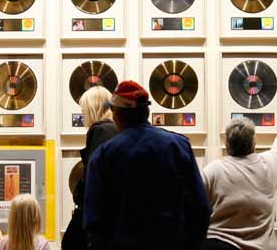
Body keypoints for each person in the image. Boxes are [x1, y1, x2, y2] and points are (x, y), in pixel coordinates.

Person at [83, 81, 210, 250]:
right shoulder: (178, 146)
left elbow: (94, 221)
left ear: (117, 115)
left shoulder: (103, 156)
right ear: (146, 112)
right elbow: (200, 207)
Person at [202, 116, 277, 250]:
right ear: (253, 143)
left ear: (227, 145)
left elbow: (193, 200)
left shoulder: (214, 169)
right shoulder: (269, 163)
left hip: (219, 245)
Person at [62, 86, 119, 250]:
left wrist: (78, 190)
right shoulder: (115, 129)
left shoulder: (100, 130)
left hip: (98, 219)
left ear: (92, 108)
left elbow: (94, 177)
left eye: (84, 110)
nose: (83, 115)